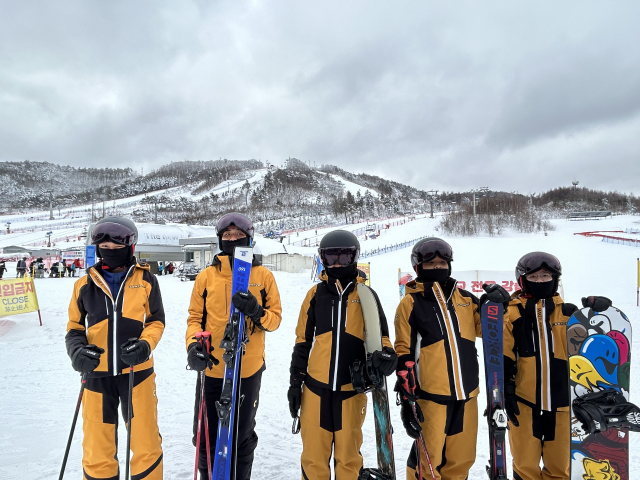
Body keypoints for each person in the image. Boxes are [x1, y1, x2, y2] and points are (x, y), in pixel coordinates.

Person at [394, 237, 509, 480]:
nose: (437, 267)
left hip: (467, 394)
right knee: (428, 460)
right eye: (431, 263)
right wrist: (406, 397)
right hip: (431, 396)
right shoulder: (410, 303)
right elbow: (403, 349)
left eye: (442, 263)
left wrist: (500, 307)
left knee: (461, 459)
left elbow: (488, 331)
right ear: (418, 268)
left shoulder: (466, 299)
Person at [288, 230, 398, 479]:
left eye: (344, 256)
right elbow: (302, 341)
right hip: (315, 389)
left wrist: (387, 354)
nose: (337, 263)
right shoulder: (315, 295)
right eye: (331, 257)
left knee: (348, 458)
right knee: (314, 457)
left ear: (354, 257)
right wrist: (295, 383)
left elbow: (381, 335)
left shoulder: (366, 295)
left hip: (351, 390)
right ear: (323, 259)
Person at [65, 216, 165, 480]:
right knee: (97, 447)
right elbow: (74, 328)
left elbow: (156, 321)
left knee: (145, 443)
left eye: (117, 246)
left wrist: (145, 345)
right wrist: (77, 352)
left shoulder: (146, 280)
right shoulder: (84, 285)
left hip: (137, 373)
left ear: (130, 247)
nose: (110, 251)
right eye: (105, 247)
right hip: (97, 375)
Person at [186, 212, 282, 480]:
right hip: (213, 368)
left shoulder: (263, 276)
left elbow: (274, 320)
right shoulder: (206, 277)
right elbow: (194, 319)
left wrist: (256, 311)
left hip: (247, 370)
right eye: (227, 235)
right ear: (220, 240)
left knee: (240, 434)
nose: (232, 239)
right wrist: (194, 346)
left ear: (249, 239)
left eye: (238, 235)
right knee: (206, 434)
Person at [503, 252, 611, 480]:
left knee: (560, 467)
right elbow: (503, 355)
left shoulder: (570, 313)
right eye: (534, 276)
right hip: (524, 403)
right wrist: (506, 391)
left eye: (546, 276)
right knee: (524, 465)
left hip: (563, 404)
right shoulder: (511, 313)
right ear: (522, 280)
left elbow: (590, 350)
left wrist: (596, 314)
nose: (540, 280)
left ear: (555, 279)